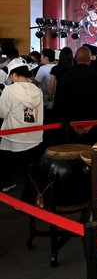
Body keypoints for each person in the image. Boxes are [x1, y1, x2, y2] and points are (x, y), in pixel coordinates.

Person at [54, 46, 97, 146]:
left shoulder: (66, 76)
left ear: (75, 59)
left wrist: (71, 123)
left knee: (73, 156)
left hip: (71, 126)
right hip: (93, 127)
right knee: (91, 156)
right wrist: (91, 123)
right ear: (89, 59)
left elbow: (59, 101)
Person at [0, 57, 44, 193]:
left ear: (13, 75)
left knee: (4, 160)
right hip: (34, 137)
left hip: (13, 136)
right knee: (29, 170)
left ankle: (6, 183)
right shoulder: (38, 90)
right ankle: (30, 194)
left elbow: (2, 113)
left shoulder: (9, 90)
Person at [33, 48, 56, 120]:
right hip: (56, 99)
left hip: (46, 99)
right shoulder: (57, 66)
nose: (40, 58)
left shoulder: (43, 68)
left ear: (46, 58)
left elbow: (35, 83)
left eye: (41, 56)